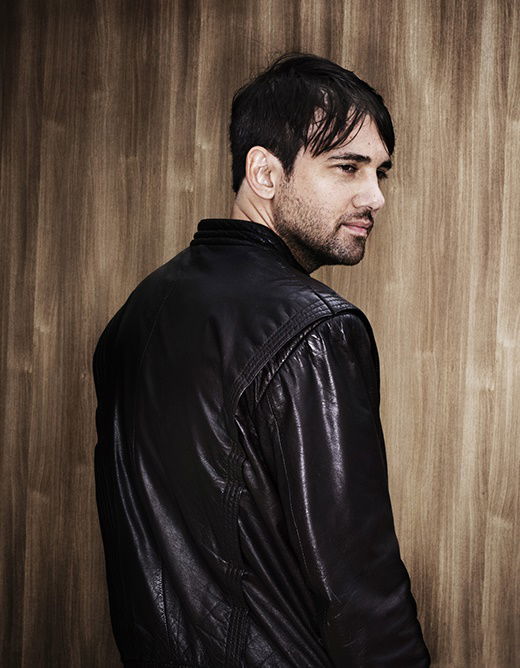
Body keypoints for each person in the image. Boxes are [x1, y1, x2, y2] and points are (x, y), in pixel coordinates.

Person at [93, 53, 430, 667]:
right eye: (347, 167)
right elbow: (359, 585)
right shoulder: (316, 328)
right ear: (265, 173)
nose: (376, 196)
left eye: (380, 172)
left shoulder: (135, 315)